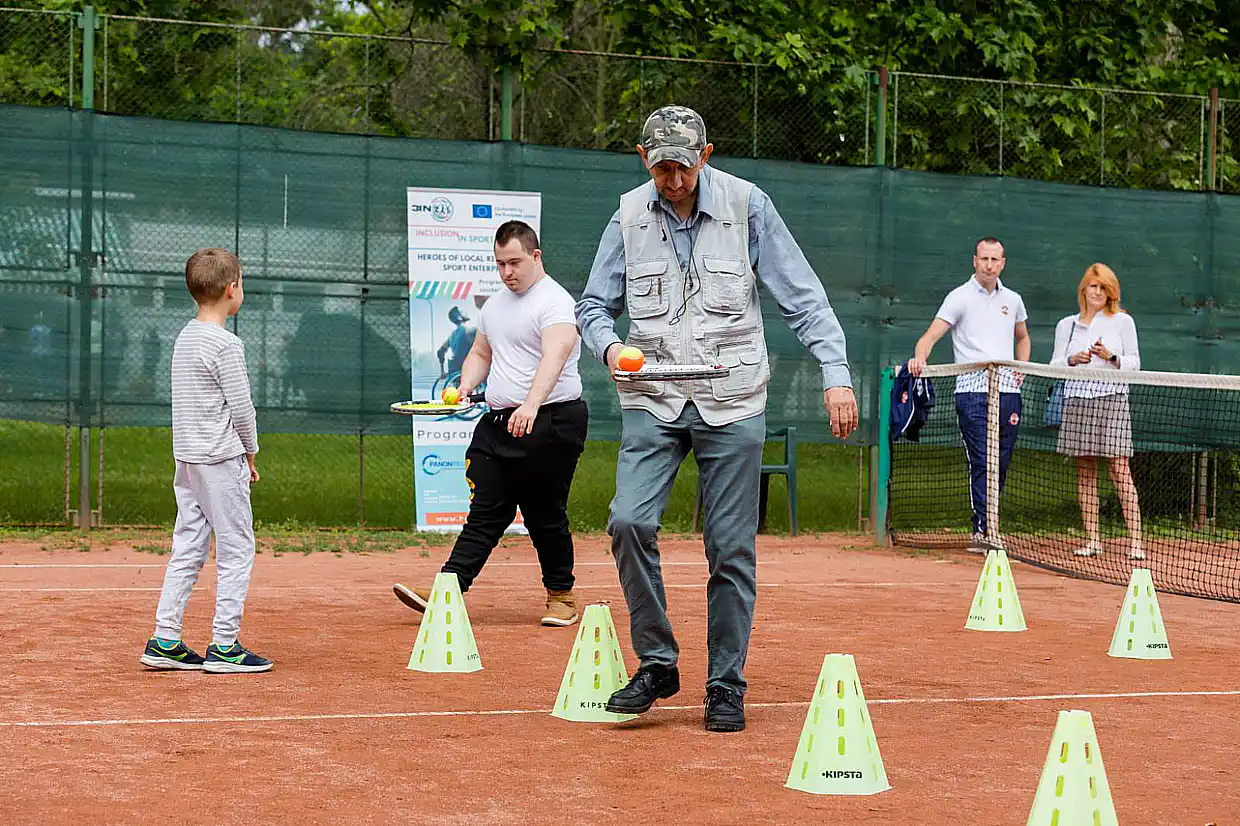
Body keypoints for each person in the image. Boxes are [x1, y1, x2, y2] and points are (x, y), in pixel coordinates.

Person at [574, 105, 858, 733]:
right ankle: (658, 662)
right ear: (642, 160)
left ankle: (726, 683)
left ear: (706, 153)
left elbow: (802, 297)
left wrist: (836, 374)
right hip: (652, 398)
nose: (672, 180)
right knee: (627, 521)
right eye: (660, 168)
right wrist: (608, 347)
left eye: (682, 166)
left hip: (732, 401)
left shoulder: (749, 206)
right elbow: (592, 306)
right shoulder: (626, 216)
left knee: (729, 547)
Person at [393, 220, 589, 627]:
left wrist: (531, 405)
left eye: (514, 262)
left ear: (536, 256)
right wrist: (464, 387)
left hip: (551, 421)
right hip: (498, 422)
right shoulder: (496, 305)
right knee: (485, 510)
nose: (506, 272)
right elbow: (481, 353)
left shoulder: (555, 303)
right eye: (499, 264)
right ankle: (447, 592)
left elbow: (555, 356)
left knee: (543, 512)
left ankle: (561, 597)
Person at [140, 248, 271, 674]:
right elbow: (242, 409)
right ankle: (225, 645)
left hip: (188, 460)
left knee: (188, 546)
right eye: (242, 282)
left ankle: (165, 639)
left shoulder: (185, 336)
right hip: (219, 458)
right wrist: (249, 451)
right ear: (233, 289)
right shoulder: (226, 344)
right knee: (237, 548)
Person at [908, 237, 1031, 554]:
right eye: (984, 259)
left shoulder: (1013, 300)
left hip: (1008, 393)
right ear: (974, 261)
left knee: (1000, 463)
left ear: (1003, 263)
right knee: (982, 461)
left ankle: (989, 523)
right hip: (973, 393)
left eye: (995, 259)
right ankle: (985, 530)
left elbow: (1023, 336)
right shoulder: (958, 298)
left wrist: (1023, 367)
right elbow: (930, 336)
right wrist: (920, 357)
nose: (989, 265)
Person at [1050, 263, 1143, 560]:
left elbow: (1134, 363)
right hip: (1077, 399)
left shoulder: (1122, 322)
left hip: (1112, 398)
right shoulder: (1067, 325)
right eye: (1093, 286)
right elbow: (1053, 366)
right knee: (1085, 471)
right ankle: (1093, 540)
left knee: (1119, 468)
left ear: (1110, 292)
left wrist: (1111, 356)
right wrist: (1072, 360)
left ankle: (1136, 543)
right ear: (1084, 289)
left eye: (1103, 288)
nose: (1098, 292)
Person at [437, 305, 476, 385]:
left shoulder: (452, 335)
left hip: (456, 370)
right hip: (470, 368)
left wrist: (442, 371)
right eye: (461, 311)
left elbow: (440, 351)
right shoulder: (471, 330)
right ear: (459, 317)